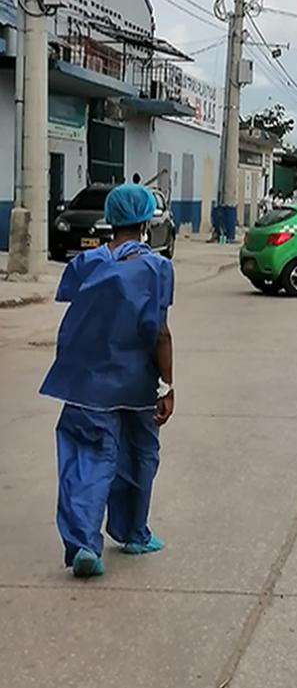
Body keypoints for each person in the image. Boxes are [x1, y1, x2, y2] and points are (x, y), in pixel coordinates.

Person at [39, 183, 175, 578]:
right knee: (139, 454)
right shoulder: (157, 268)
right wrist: (167, 384)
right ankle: (133, 532)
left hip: (85, 381)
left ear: (111, 219)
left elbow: (77, 307)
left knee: (86, 456)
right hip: (135, 382)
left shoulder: (85, 263)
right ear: (147, 221)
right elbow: (160, 332)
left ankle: (83, 544)